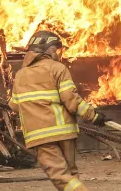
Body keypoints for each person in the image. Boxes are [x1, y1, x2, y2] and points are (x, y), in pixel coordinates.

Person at [9, 30, 109, 190]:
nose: (57, 53)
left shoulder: (20, 75)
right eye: (56, 49)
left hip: (41, 136)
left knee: (61, 177)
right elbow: (71, 100)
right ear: (47, 49)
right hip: (65, 133)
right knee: (70, 175)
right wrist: (93, 115)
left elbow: (13, 105)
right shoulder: (58, 69)